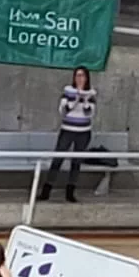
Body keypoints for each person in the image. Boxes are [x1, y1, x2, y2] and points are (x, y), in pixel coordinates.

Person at [41, 67, 96, 203]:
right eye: (77, 75)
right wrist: (76, 99)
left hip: (83, 132)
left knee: (76, 162)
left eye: (82, 76)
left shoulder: (91, 94)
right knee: (58, 159)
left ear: (87, 78)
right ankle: (46, 190)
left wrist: (85, 100)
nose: (79, 78)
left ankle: (70, 191)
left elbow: (89, 113)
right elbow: (64, 111)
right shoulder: (67, 92)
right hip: (67, 130)